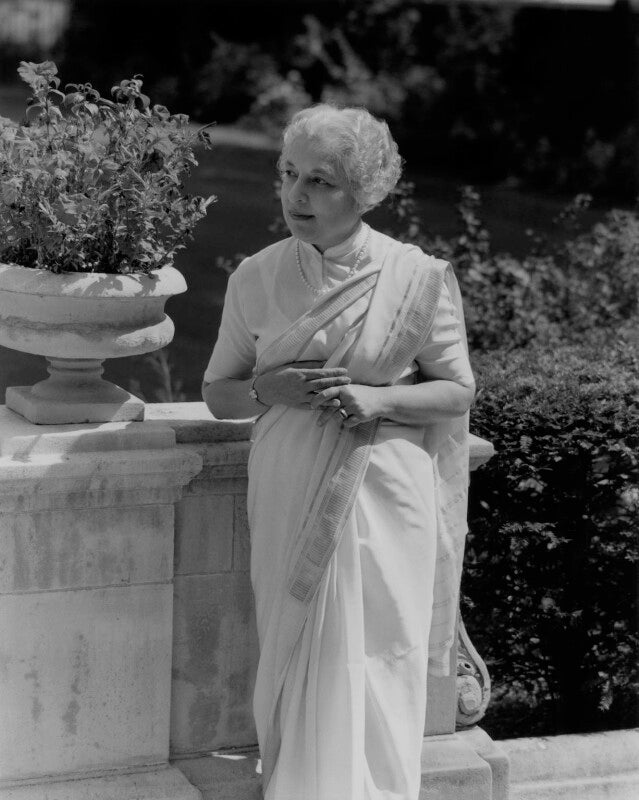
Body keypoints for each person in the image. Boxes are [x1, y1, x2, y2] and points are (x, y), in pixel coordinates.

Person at [202, 104, 475, 800]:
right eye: (288, 175)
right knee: (301, 658)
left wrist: (379, 400)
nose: (297, 196)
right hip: (288, 486)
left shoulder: (414, 277)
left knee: (380, 658)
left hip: (385, 498)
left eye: (320, 181)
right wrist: (272, 387)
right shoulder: (255, 277)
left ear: (362, 191)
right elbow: (219, 393)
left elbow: (455, 393)